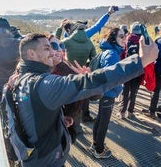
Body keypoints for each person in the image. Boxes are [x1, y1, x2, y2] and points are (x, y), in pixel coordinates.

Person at [12, 32, 157, 166]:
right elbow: (89, 82)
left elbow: (33, 113)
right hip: (47, 159)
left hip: (35, 155)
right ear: (31, 53)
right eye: (47, 48)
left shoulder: (20, 79)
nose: (53, 52)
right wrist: (140, 61)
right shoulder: (43, 84)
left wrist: (58, 118)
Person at [91, 27, 126, 159]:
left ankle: (95, 144)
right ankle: (99, 150)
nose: (124, 39)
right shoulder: (112, 54)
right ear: (113, 39)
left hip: (104, 92)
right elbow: (112, 79)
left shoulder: (109, 51)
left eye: (124, 36)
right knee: (103, 122)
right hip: (108, 93)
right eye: (121, 36)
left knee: (100, 119)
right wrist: (119, 91)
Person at [117, 22, 143, 119]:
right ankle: (130, 111)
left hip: (127, 69)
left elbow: (122, 54)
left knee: (126, 91)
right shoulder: (143, 40)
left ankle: (122, 112)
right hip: (138, 69)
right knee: (134, 92)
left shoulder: (127, 39)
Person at [142, 23, 161, 118]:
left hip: (159, 69)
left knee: (156, 90)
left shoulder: (158, 42)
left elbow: (155, 55)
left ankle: (152, 111)